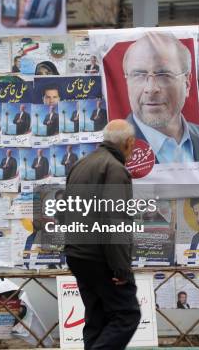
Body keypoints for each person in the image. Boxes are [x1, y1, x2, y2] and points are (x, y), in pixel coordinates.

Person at [64, 120, 141, 350]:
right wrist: (121, 268)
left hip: (78, 254)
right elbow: (114, 222)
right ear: (128, 143)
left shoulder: (81, 164)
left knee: (97, 319)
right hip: (100, 258)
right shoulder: (115, 170)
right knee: (127, 315)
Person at [123, 32, 199, 163]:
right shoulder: (110, 151)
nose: (150, 89)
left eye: (164, 75)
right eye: (139, 75)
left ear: (188, 84)